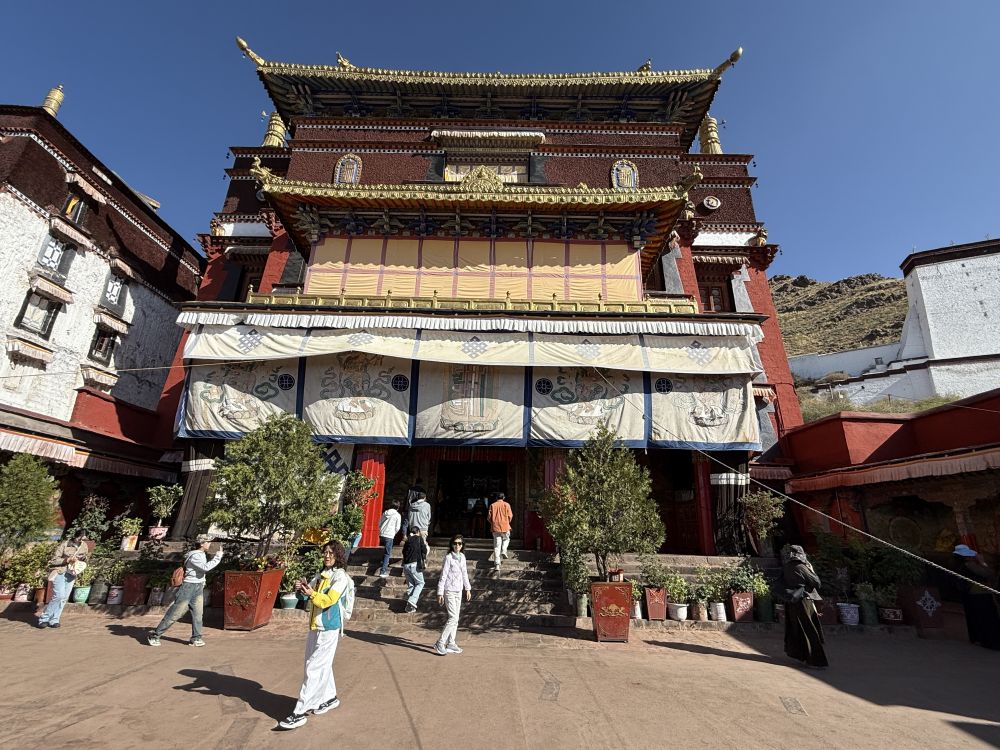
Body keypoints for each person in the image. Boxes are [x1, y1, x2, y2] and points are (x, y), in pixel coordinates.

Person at [278, 541, 352, 730]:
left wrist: (311, 593)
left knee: (314, 667)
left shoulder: (340, 577)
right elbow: (307, 595)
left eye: (331, 553)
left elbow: (329, 600)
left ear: (338, 556)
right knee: (318, 663)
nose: (327, 556)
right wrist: (301, 589)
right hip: (315, 626)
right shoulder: (321, 575)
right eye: (325, 552)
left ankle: (300, 711)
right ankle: (329, 697)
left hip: (329, 628)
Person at [147, 535, 223, 647]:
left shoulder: (201, 554)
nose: (210, 544)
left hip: (198, 587)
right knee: (176, 613)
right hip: (188, 587)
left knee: (198, 614)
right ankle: (155, 635)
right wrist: (218, 556)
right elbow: (205, 568)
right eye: (208, 542)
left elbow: (200, 573)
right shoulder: (195, 556)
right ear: (201, 543)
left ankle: (196, 638)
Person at [781, 544, 828, 668]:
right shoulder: (801, 567)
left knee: (797, 629)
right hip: (803, 601)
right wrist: (811, 570)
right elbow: (817, 583)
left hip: (792, 601)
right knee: (809, 629)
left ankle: (801, 655)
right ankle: (815, 660)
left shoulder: (786, 567)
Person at [952, 544, 1000, 650]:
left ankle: (981, 639)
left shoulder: (959, 566)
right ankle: (991, 641)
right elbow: (989, 574)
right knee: (988, 618)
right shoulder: (970, 565)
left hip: (972, 594)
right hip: (980, 593)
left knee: (979, 618)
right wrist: (982, 562)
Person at [37, 534, 89, 629]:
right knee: (58, 596)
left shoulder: (84, 546)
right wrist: (67, 559)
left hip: (72, 573)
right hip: (59, 571)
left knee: (64, 598)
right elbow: (53, 560)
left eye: (83, 537)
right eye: (80, 536)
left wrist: (81, 559)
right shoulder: (65, 544)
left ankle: (54, 620)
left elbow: (86, 558)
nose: (81, 538)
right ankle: (44, 619)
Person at [434, 534, 471, 656]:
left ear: (462, 545)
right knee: (453, 617)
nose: (457, 546)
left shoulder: (463, 557)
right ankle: (440, 642)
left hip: (458, 590)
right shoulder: (448, 558)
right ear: (451, 544)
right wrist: (440, 592)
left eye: (459, 543)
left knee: (456, 618)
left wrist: (468, 588)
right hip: (449, 590)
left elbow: (465, 573)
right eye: (455, 543)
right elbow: (443, 575)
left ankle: (451, 643)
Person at [402, 526, 427, 612]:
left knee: (411, 585)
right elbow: (424, 550)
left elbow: (403, 552)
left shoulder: (407, 540)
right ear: (418, 532)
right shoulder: (419, 539)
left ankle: (409, 607)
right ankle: (412, 600)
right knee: (420, 583)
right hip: (414, 564)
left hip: (406, 566)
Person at [488, 492, 513, 572]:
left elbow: (489, 517)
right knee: (506, 539)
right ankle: (504, 550)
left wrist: (493, 523)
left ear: (496, 498)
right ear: (504, 497)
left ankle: (497, 565)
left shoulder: (492, 505)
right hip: (505, 526)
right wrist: (506, 522)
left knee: (496, 546)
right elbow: (510, 516)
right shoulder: (507, 505)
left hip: (495, 528)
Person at [378, 500, 402, 578]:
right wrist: (393, 533)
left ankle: (383, 562)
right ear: (398, 507)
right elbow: (397, 527)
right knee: (387, 553)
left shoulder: (385, 513)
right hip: (389, 535)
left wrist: (381, 530)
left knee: (386, 550)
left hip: (382, 534)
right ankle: (383, 571)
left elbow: (379, 523)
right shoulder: (397, 515)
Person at [407, 490, 432, 556]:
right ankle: (422, 559)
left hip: (414, 529)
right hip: (423, 528)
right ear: (425, 498)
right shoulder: (427, 505)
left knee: (413, 545)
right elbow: (429, 517)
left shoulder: (411, 505)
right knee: (423, 545)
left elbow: (409, 517)